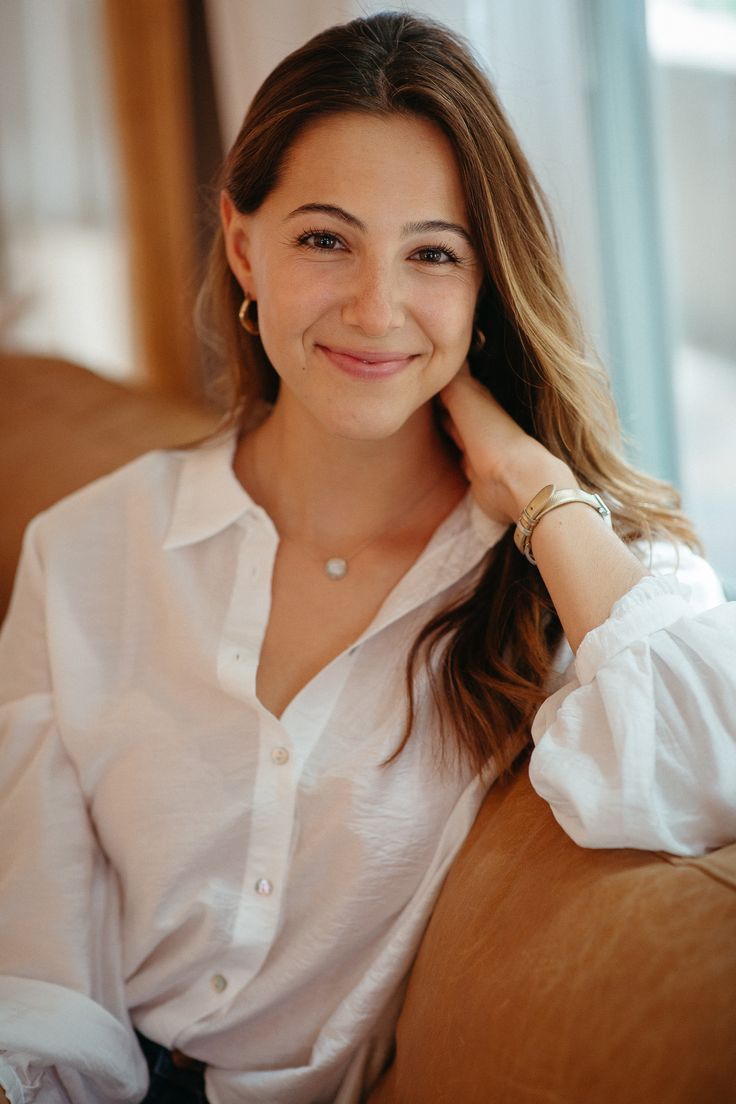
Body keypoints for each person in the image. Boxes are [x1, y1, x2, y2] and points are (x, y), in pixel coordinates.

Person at [1, 10, 734, 1104]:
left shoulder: (567, 577)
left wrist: (534, 487)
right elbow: (34, 958)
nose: (377, 307)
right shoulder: (86, 549)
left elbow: (710, 768)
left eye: (432, 253)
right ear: (244, 244)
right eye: (325, 239)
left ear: (488, 283)